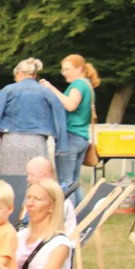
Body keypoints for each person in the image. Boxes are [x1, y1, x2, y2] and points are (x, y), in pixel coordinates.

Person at [0, 58, 68, 176]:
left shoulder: (7, 90)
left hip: (11, 141)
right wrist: (61, 145)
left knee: (9, 180)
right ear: (35, 75)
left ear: (19, 73)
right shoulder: (46, 92)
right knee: (36, 178)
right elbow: (59, 114)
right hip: (37, 142)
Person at [40, 54, 99, 207]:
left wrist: (50, 88)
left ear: (79, 69)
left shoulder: (78, 84)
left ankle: (68, 219)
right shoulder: (87, 84)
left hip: (70, 138)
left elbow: (71, 105)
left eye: (67, 69)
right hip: (82, 138)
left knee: (65, 183)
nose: (64, 73)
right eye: (63, 70)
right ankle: (81, 219)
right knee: (74, 183)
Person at [25, 156, 75, 233]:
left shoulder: (60, 201)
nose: (28, 179)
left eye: (32, 175)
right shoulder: (37, 194)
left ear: (46, 175)